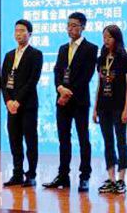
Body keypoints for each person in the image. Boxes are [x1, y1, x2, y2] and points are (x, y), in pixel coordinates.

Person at [43, 12, 98, 192]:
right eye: (68, 25)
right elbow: (57, 71)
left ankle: (85, 176)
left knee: (83, 139)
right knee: (63, 139)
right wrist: (60, 88)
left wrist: (68, 93)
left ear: (83, 27)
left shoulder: (91, 48)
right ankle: (63, 175)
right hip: (62, 101)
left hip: (79, 100)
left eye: (74, 25)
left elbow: (86, 75)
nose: (70, 29)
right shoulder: (62, 48)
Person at [92, 25, 127, 194]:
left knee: (121, 141)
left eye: (109, 37)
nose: (106, 40)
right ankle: (111, 178)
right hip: (104, 106)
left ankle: (121, 179)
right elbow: (99, 84)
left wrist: (126, 109)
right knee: (108, 141)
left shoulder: (125, 58)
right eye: (104, 37)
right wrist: (95, 108)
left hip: (118, 106)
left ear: (117, 38)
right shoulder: (101, 59)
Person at [1, 19, 43, 188]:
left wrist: (18, 101)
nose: (18, 33)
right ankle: (17, 173)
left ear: (29, 34)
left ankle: (31, 174)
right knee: (14, 139)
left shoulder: (36, 54)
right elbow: (3, 81)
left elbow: (33, 80)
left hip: (27, 105)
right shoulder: (9, 55)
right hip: (11, 106)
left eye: (22, 30)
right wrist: (8, 101)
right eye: (16, 30)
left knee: (30, 140)